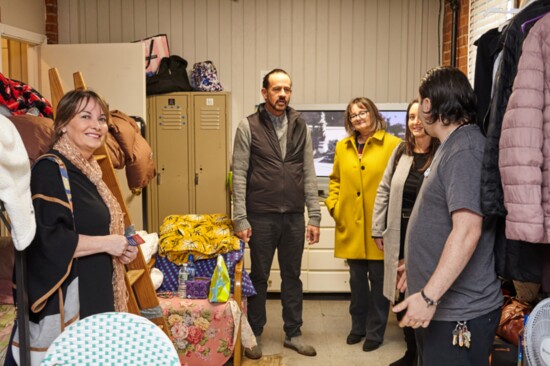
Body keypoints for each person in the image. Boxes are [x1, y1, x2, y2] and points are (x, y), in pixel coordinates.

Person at [8, 89, 138, 365]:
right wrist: (107, 243)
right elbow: (47, 241)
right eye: (85, 116)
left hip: (96, 290)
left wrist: (122, 248)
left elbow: (98, 228)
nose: (96, 125)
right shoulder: (50, 170)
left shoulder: (90, 171)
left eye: (101, 119)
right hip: (71, 300)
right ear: (63, 125)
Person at [393, 66, 502, 366]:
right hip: (443, 306)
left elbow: (467, 231)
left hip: (459, 311)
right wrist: (416, 267)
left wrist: (428, 297)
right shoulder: (451, 145)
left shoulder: (464, 148)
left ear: (427, 104)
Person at [232, 68, 321, 359]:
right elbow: (239, 175)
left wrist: (315, 216)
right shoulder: (248, 126)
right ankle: (254, 333)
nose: (282, 94)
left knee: (292, 277)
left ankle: (293, 333)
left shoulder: (300, 126)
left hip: (294, 216)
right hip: (261, 215)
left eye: (287, 89)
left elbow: (309, 172)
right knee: (258, 276)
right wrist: (240, 217)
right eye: (276, 89)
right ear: (264, 93)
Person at [325, 97, 401, 352]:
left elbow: (398, 185)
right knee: (357, 284)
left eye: (363, 112)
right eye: (353, 115)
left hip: (379, 230)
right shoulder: (342, 146)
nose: (358, 117)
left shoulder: (393, 145)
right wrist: (335, 207)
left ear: (373, 113)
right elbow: (334, 180)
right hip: (352, 229)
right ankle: (357, 327)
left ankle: (375, 332)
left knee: (380, 285)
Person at [372, 99, 439, 366]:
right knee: (400, 293)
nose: (415, 122)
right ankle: (411, 351)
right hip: (397, 234)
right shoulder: (401, 152)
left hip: (425, 237)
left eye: (420, 117)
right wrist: (378, 227)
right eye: (411, 117)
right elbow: (384, 189)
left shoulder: (441, 152)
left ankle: (425, 354)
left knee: (422, 289)